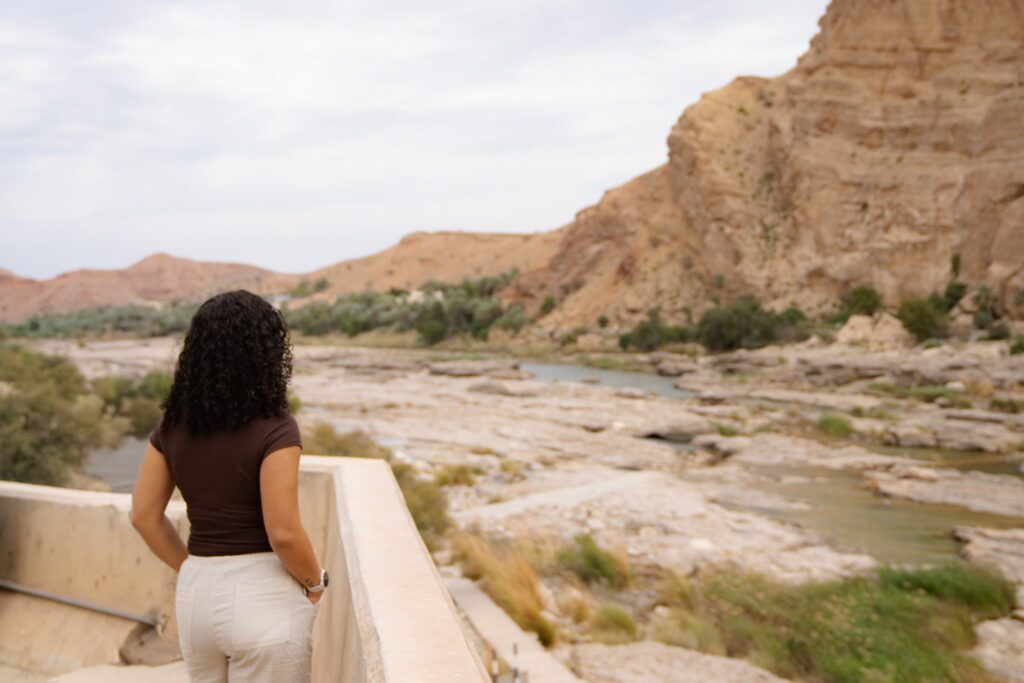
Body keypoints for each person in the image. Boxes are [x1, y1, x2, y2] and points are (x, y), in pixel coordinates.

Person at [130, 290, 327, 682]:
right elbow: (284, 532)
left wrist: (192, 568)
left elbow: (143, 516)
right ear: (268, 352)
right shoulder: (277, 428)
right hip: (263, 594)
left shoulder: (171, 427)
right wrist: (314, 582)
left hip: (196, 597)